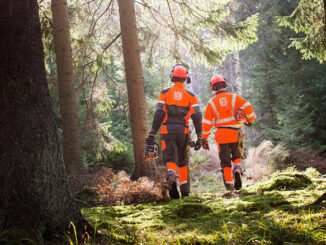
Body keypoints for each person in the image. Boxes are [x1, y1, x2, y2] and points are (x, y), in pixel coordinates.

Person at [146, 64, 203, 199]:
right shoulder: (190, 95)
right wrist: (200, 136)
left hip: (167, 130)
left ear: (172, 77)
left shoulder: (165, 93)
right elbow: (197, 115)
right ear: (185, 79)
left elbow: (159, 113)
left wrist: (152, 133)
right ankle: (185, 192)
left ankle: (171, 175)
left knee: (170, 158)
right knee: (182, 161)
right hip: (183, 132)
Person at [202, 76, 255, 191]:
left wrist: (205, 138)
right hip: (236, 133)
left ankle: (230, 187)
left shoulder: (211, 103)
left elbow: (206, 123)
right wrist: (250, 120)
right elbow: (248, 106)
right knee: (237, 156)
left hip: (221, 136)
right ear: (224, 85)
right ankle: (237, 169)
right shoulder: (235, 98)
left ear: (213, 88)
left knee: (225, 162)